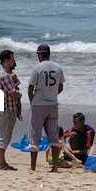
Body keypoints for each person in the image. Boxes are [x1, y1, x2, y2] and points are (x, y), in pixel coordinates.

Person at [27, 43, 65, 172]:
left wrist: (33, 101)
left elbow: (30, 88)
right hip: (53, 104)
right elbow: (60, 87)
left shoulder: (37, 68)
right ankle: (54, 167)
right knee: (53, 137)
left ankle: (33, 167)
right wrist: (52, 95)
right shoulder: (58, 67)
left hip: (38, 105)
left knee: (35, 137)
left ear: (40, 54)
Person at [0, 49, 22, 170]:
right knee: (4, 135)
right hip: (6, 108)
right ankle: (1, 162)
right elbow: (13, 93)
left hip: (0, 107)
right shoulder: (4, 75)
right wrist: (20, 95)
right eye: (12, 59)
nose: (14, 61)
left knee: (3, 134)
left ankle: (2, 161)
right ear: (6, 60)